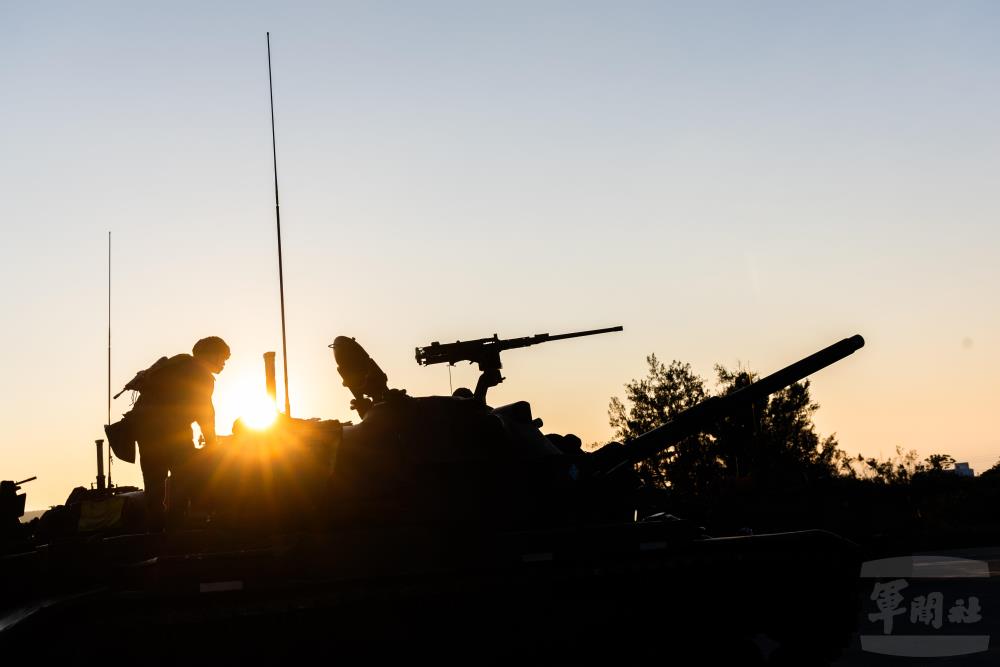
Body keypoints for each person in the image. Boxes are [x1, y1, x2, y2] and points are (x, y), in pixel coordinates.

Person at [132, 336, 230, 531]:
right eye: (223, 358)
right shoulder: (202, 375)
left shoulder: (173, 366)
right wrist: (211, 443)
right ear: (210, 354)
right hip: (174, 433)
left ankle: (155, 531)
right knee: (185, 477)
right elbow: (205, 411)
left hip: (145, 433)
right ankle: (178, 529)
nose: (224, 364)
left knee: (154, 484)